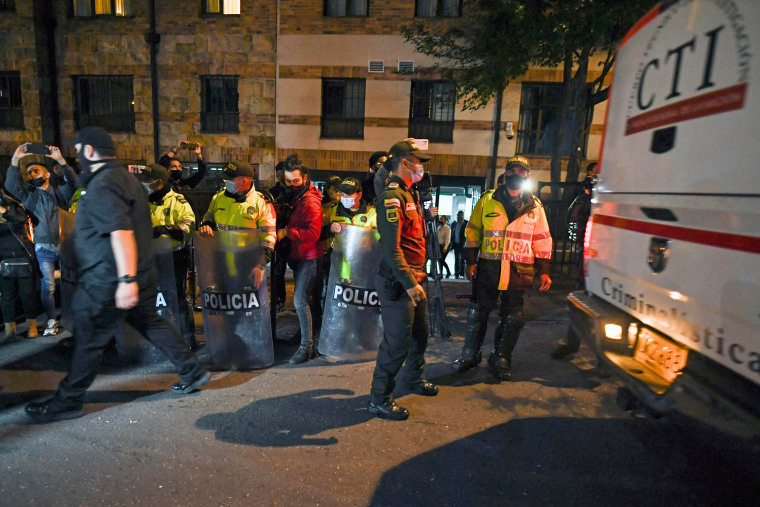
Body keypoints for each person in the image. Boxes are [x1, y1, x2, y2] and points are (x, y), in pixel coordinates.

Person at [25, 127, 211, 424]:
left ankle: (68, 400)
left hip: (112, 278)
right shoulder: (126, 179)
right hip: (138, 271)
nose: (77, 156)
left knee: (90, 339)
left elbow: (120, 231)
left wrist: (125, 281)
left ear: (89, 152)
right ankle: (193, 370)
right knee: (150, 323)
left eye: (79, 151)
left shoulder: (106, 183)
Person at [452, 155, 553, 380]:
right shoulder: (487, 200)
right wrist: (470, 262)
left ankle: (501, 357)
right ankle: (470, 354)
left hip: (519, 271)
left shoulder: (535, 206)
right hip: (488, 268)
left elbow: (542, 239)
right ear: (506, 173)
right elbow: (473, 232)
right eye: (513, 170)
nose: (517, 174)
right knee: (477, 312)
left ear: (527, 175)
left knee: (513, 316)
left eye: (522, 171)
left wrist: (545, 270)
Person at [369, 140, 439, 421]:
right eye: (417, 161)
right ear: (404, 162)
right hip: (398, 283)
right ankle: (379, 399)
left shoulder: (411, 195)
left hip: (414, 278)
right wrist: (410, 283)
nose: (421, 166)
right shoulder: (392, 197)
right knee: (396, 343)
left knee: (419, 336)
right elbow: (391, 246)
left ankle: (412, 380)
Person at [7, 143, 78, 337]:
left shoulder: (60, 193)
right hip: (43, 248)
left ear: (47, 175)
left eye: (35, 171)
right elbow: (11, 186)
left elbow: (74, 183)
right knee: (48, 286)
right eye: (28, 172)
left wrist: (60, 161)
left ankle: (73, 318)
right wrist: (16, 159)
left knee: (72, 282)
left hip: (65, 245)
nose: (31, 174)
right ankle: (51, 320)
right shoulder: (30, 196)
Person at [137, 163, 197, 348]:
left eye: (148, 181)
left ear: (159, 183)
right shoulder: (140, 200)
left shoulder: (177, 200)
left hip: (173, 257)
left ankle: (187, 340)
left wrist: (168, 229)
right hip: (147, 257)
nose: (144, 185)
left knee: (177, 299)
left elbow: (189, 225)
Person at [198, 159, 276, 292]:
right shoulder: (219, 197)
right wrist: (207, 224)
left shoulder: (262, 204)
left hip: (248, 265)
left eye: (230, 179)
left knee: (245, 308)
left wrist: (260, 265)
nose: (225, 182)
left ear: (244, 181)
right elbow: (210, 215)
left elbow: (269, 236)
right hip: (221, 262)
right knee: (223, 305)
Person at [278, 154, 323, 364]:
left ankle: (307, 348)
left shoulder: (310, 202)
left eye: (296, 181)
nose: (292, 185)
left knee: (299, 300)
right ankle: (306, 338)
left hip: (310, 256)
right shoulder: (299, 197)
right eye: (288, 181)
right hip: (301, 255)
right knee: (304, 300)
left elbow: (313, 235)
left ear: (304, 178)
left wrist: (288, 232)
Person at [551, 162, 597, 360]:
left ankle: (600, 357)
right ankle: (573, 344)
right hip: (589, 258)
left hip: (599, 258)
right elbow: (575, 222)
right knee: (580, 302)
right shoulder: (585, 195)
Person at [0, 189, 40, 341]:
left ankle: (32, 327)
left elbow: (20, 221)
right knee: (7, 297)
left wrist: (3, 211)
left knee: (27, 294)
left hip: (22, 256)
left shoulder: (14, 205)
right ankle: (10, 331)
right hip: (3, 258)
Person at [450, 210, 468, 278]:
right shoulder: (454, 224)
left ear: (462, 216)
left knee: (462, 259)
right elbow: (452, 234)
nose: (458, 217)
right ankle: (456, 273)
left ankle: (462, 273)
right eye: (457, 215)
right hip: (456, 244)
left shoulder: (466, 224)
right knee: (456, 259)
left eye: (460, 216)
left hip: (463, 244)